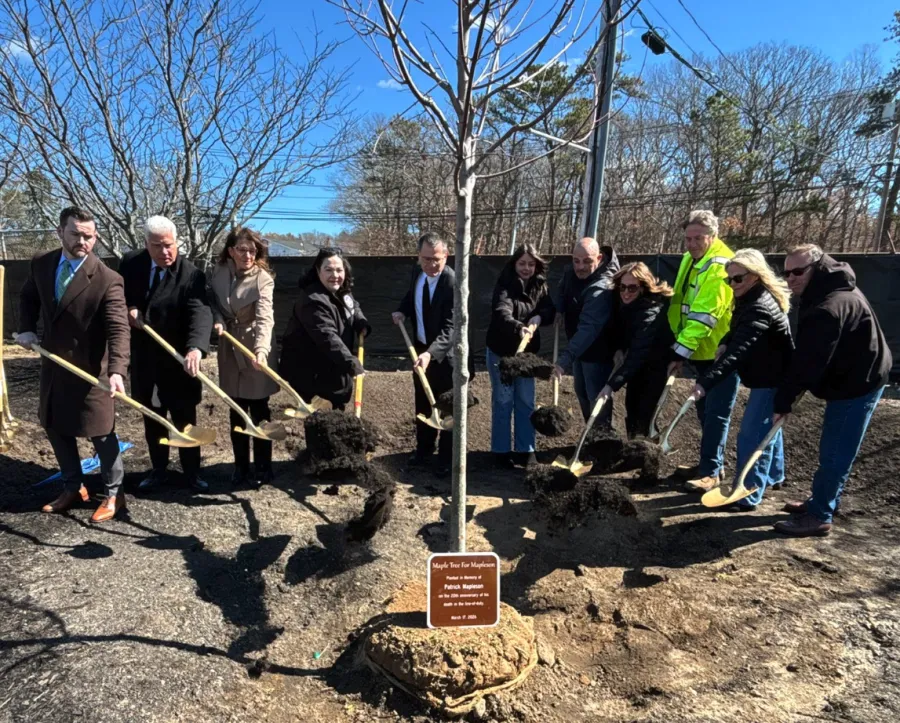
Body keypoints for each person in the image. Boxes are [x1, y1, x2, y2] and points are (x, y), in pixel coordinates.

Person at [16, 206, 130, 523]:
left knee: (101, 432)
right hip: (54, 363)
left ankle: (113, 493)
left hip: (92, 369)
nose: (83, 241)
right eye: (76, 234)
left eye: (89, 236)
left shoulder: (108, 279)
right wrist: (27, 327)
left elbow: (118, 328)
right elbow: (28, 298)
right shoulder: (42, 263)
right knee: (54, 424)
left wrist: (118, 370)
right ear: (60, 232)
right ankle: (73, 486)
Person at [771, 244, 892, 537]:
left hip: (858, 384)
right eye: (786, 273)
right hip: (855, 373)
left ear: (817, 267)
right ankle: (822, 500)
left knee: (835, 451)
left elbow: (807, 364)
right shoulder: (831, 287)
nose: (791, 279)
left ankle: (820, 514)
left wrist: (783, 402)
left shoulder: (829, 307)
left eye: (798, 272)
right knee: (835, 448)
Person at [688, 249, 794, 507]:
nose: (732, 284)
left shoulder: (759, 306)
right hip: (767, 373)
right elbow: (737, 330)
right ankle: (774, 475)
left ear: (755, 276)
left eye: (737, 278)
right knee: (768, 428)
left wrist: (704, 383)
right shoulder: (749, 298)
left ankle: (748, 492)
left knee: (751, 435)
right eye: (729, 279)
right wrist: (724, 341)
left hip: (771, 378)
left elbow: (737, 355)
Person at [120, 216, 213, 493]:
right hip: (145, 358)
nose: (165, 252)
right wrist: (130, 307)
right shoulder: (130, 263)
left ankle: (192, 473)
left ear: (177, 242)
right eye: (158, 246)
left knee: (185, 418)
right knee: (153, 419)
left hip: (179, 360)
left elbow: (200, 311)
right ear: (146, 244)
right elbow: (117, 294)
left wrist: (196, 347)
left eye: (170, 245)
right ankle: (158, 470)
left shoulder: (191, 274)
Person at [667, 210, 737, 491]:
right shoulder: (690, 259)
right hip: (698, 349)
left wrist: (679, 352)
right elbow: (682, 304)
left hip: (719, 351)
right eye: (688, 238)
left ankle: (711, 472)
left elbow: (704, 316)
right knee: (705, 411)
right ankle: (710, 463)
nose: (692, 243)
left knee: (716, 412)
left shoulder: (721, 265)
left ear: (713, 236)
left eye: (698, 238)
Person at [209, 227, 279, 488]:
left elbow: (265, 318)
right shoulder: (219, 272)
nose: (248, 255)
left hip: (254, 349)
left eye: (253, 250)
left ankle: (264, 466)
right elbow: (212, 301)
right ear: (231, 251)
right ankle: (240, 467)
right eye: (242, 249)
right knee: (236, 409)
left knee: (259, 409)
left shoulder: (263, 279)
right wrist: (218, 320)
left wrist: (261, 350)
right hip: (229, 348)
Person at [484, 244, 556, 468]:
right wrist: (518, 327)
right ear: (514, 264)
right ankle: (501, 451)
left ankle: (526, 450)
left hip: (526, 356)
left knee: (526, 401)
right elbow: (501, 311)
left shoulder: (540, 285)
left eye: (531, 264)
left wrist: (539, 318)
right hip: (502, 353)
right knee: (503, 400)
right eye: (522, 263)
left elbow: (549, 309)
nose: (526, 268)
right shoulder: (504, 284)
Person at [392, 232, 455, 478]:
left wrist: (431, 353)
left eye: (437, 259)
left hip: (447, 357)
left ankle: (447, 459)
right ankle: (424, 449)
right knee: (423, 401)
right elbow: (412, 298)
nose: (431, 264)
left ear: (446, 256)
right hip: (420, 350)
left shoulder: (452, 282)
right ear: (418, 257)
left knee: (447, 406)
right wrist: (401, 311)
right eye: (426, 259)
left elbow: (452, 328)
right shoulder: (417, 274)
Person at [279, 248, 369, 412]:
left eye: (339, 270)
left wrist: (360, 322)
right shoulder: (312, 300)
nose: (335, 275)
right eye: (328, 270)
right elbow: (327, 337)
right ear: (318, 271)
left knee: (336, 415)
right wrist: (352, 364)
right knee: (321, 423)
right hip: (313, 375)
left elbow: (353, 306)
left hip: (333, 368)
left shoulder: (341, 291)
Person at [598, 262, 673, 439]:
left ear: (643, 288)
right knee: (631, 408)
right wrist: (619, 348)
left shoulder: (650, 311)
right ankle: (634, 448)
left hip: (655, 367)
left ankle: (648, 455)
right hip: (638, 369)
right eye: (622, 287)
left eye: (632, 288)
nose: (626, 292)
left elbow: (638, 354)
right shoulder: (624, 305)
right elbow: (621, 331)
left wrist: (611, 385)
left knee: (644, 414)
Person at [553, 237, 620, 426]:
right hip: (579, 348)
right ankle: (590, 436)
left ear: (599, 258)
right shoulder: (571, 271)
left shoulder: (602, 288)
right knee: (581, 392)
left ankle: (603, 439)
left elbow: (588, 329)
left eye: (587, 261)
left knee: (595, 395)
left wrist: (563, 361)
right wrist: (559, 308)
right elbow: (563, 285)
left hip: (598, 349)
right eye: (576, 260)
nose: (580, 266)